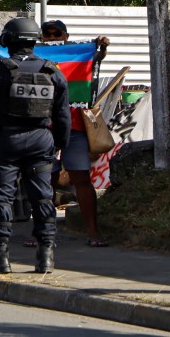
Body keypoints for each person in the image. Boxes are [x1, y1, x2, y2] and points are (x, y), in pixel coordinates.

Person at [0, 18, 71, 274]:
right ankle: (46, 256)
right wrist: (59, 144)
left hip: (4, 142)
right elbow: (63, 115)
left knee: (1, 198)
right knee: (43, 198)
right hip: (40, 142)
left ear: (8, 40)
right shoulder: (52, 71)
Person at [39, 19, 112, 248]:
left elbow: (95, 61)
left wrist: (102, 47)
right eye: (47, 35)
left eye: (57, 34)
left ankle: (93, 230)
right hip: (45, 129)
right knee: (45, 181)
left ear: (66, 37)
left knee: (81, 178)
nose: (52, 38)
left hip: (76, 127)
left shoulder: (76, 57)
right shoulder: (35, 59)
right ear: (41, 39)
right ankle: (42, 233)